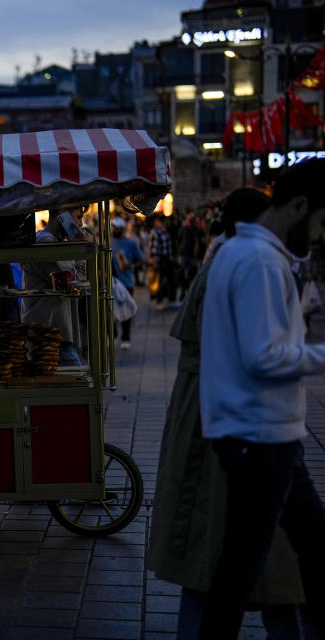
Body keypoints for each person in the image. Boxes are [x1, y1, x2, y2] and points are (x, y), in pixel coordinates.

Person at [148, 189, 310, 638]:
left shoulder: (223, 259)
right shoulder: (245, 264)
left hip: (212, 420)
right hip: (238, 425)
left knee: (229, 559)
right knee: (264, 560)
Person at [198, 160, 325, 638]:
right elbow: (263, 356)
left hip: (263, 433)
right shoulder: (259, 261)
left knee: (307, 547)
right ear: (298, 207)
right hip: (259, 435)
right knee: (241, 568)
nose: (318, 238)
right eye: (319, 223)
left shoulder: (240, 251)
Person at [21, 208, 91, 365]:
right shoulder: (46, 243)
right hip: (50, 335)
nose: (81, 224)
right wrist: (83, 249)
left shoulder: (54, 243)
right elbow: (73, 280)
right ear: (62, 215)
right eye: (78, 217)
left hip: (54, 333)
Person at [111, 218, 144, 350]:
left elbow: (141, 260)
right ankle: (113, 333)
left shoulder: (131, 243)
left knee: (126, 310)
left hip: (126, 282)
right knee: (110, 311)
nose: (115, 230)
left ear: (123, 229)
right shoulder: (107, 241)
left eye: (118, 228)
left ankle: (126, 338)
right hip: (110, 282)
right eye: (114, 227)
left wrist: (130, 265)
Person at [149, 214, 180, 311]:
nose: (164, 222)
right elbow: (154, 248)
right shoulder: (155, 232)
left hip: (168, 260)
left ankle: (172, 299)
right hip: (161, 261)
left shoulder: (164, 231)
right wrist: (155, 261)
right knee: (160, 282)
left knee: (171, 280)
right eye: (162, 220)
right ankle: (159, 301)